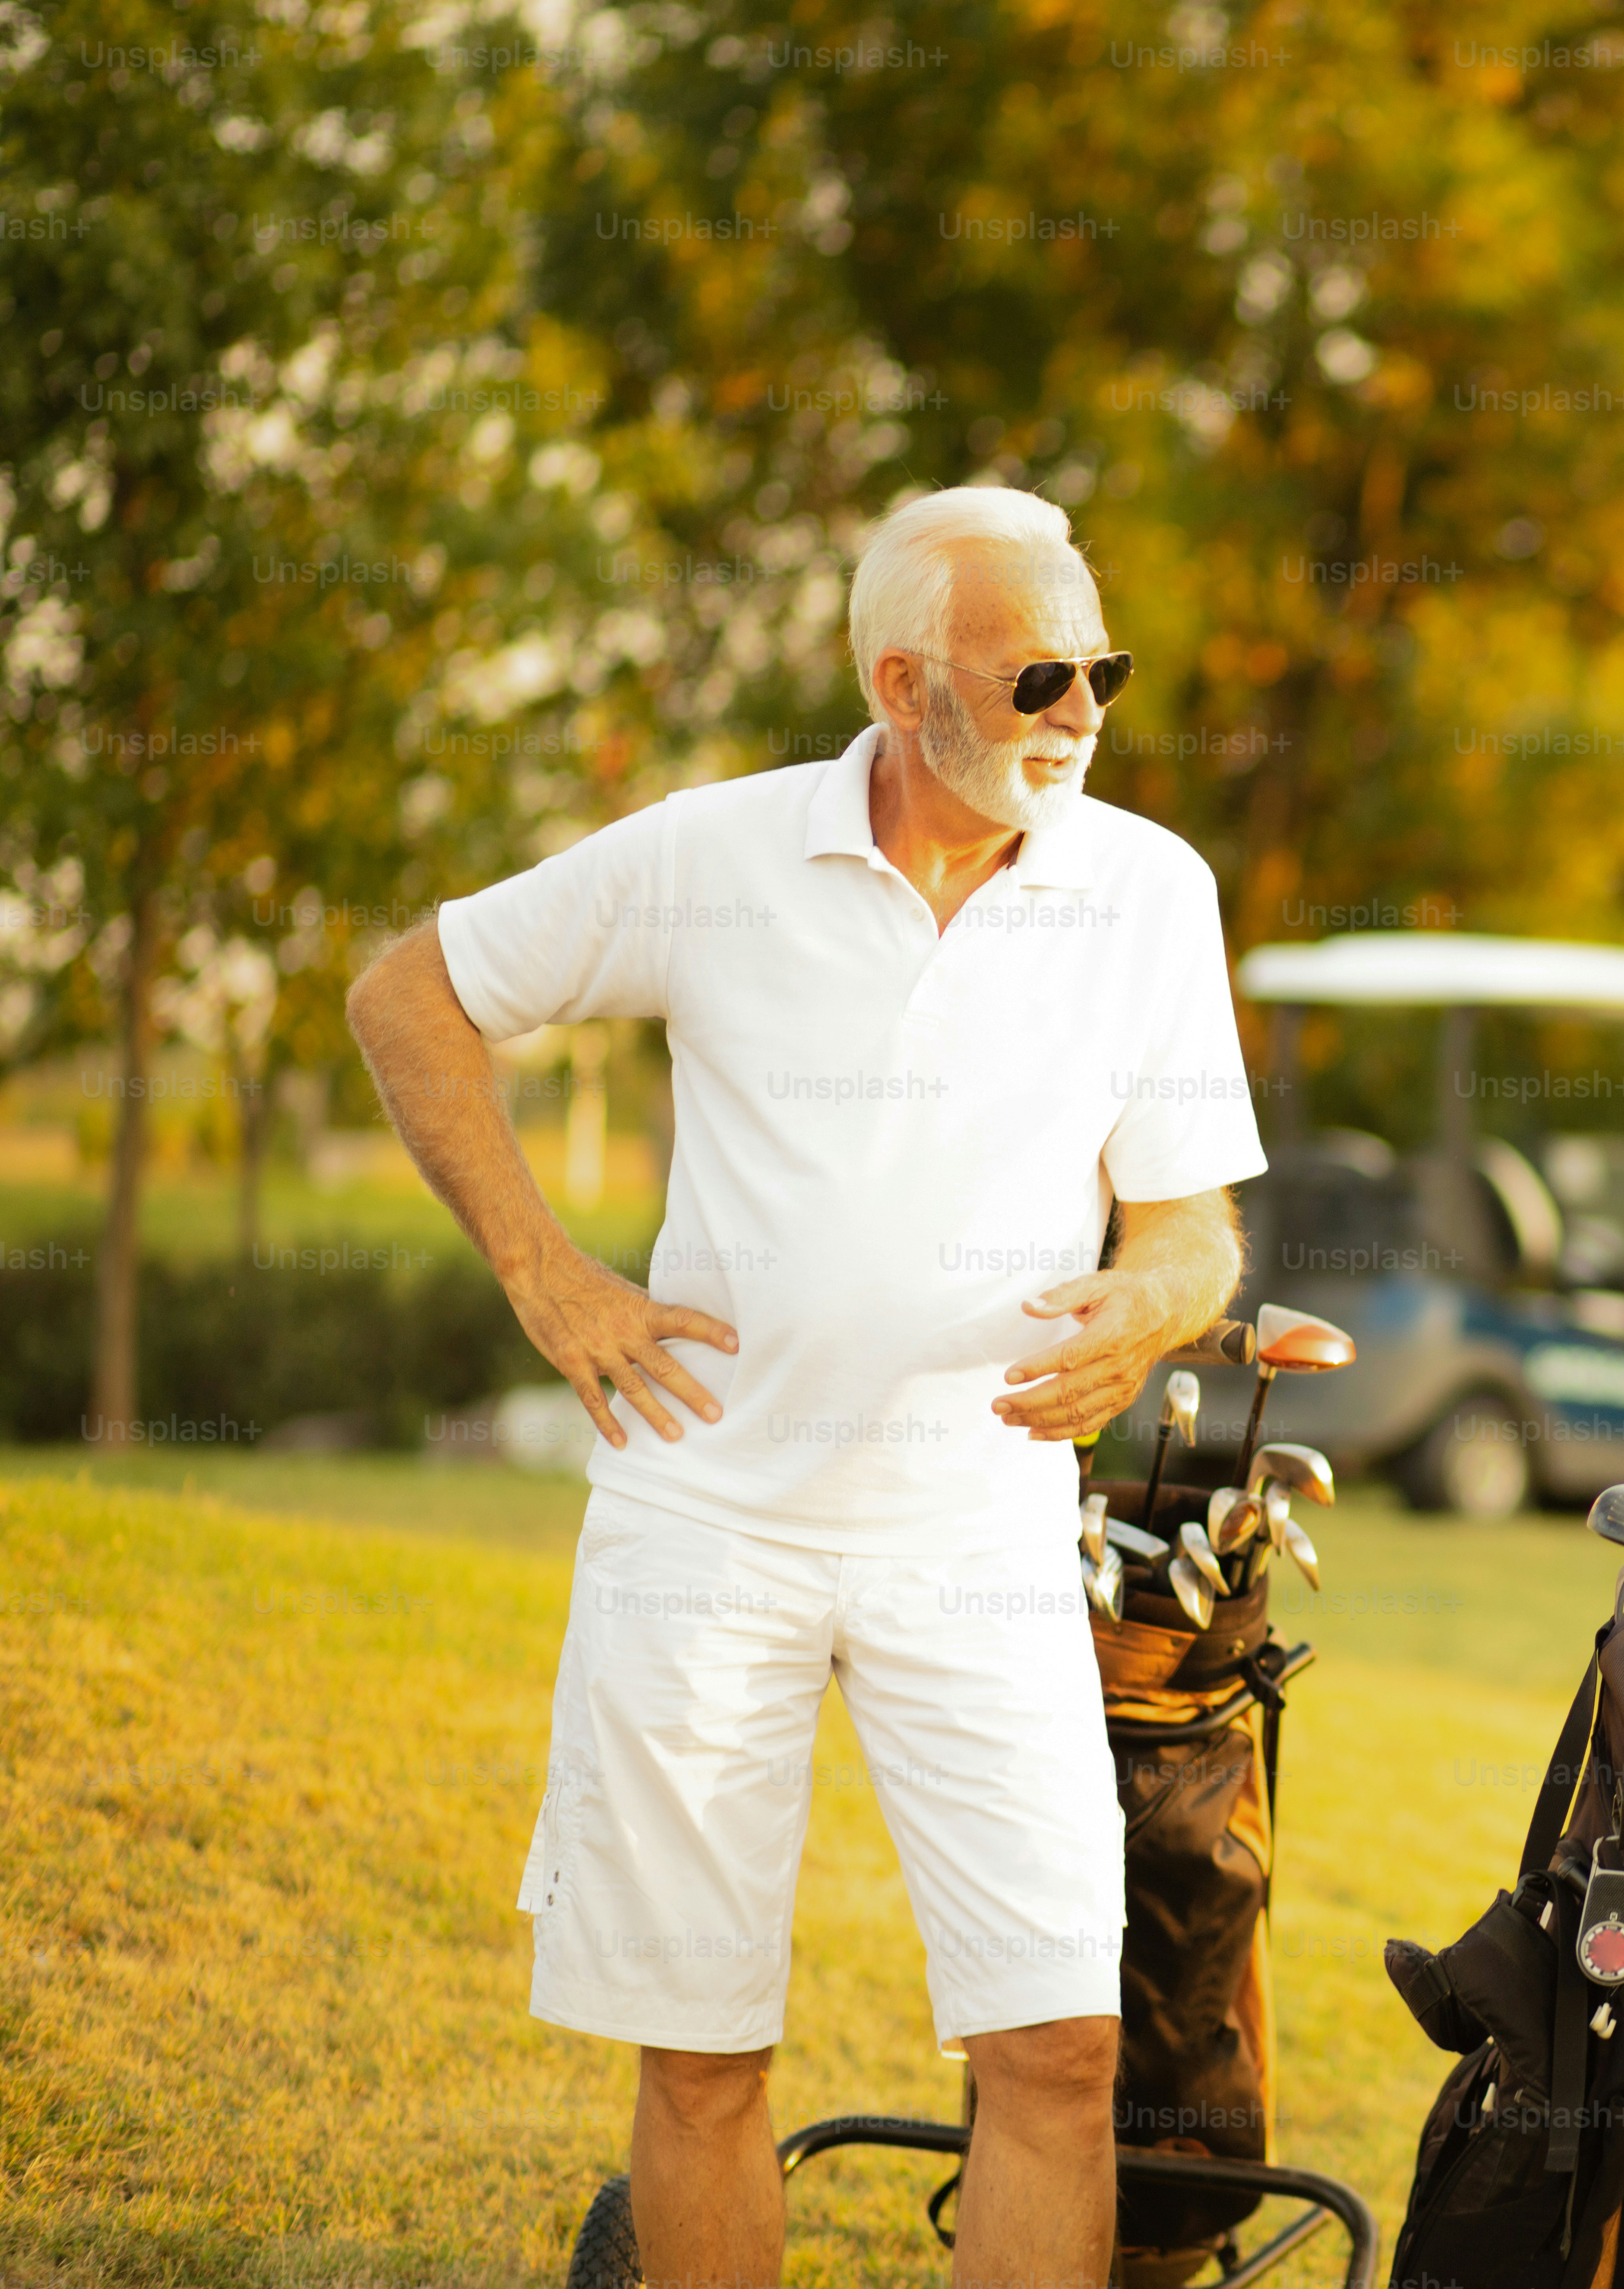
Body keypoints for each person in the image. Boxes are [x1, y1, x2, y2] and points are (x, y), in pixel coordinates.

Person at [346, 486, 1263, 2289]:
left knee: (1061, 2052)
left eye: (1106, 672)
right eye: (1039, 677)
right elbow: (409, 996)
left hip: (984, 1540)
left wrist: (1151, 1305)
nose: (1082, 712)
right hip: (706, 1525)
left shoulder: (1151, 892)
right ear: (899, 682)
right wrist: (546, 1273)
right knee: (700, 2059)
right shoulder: (716, 852)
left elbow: (1192, 1227)